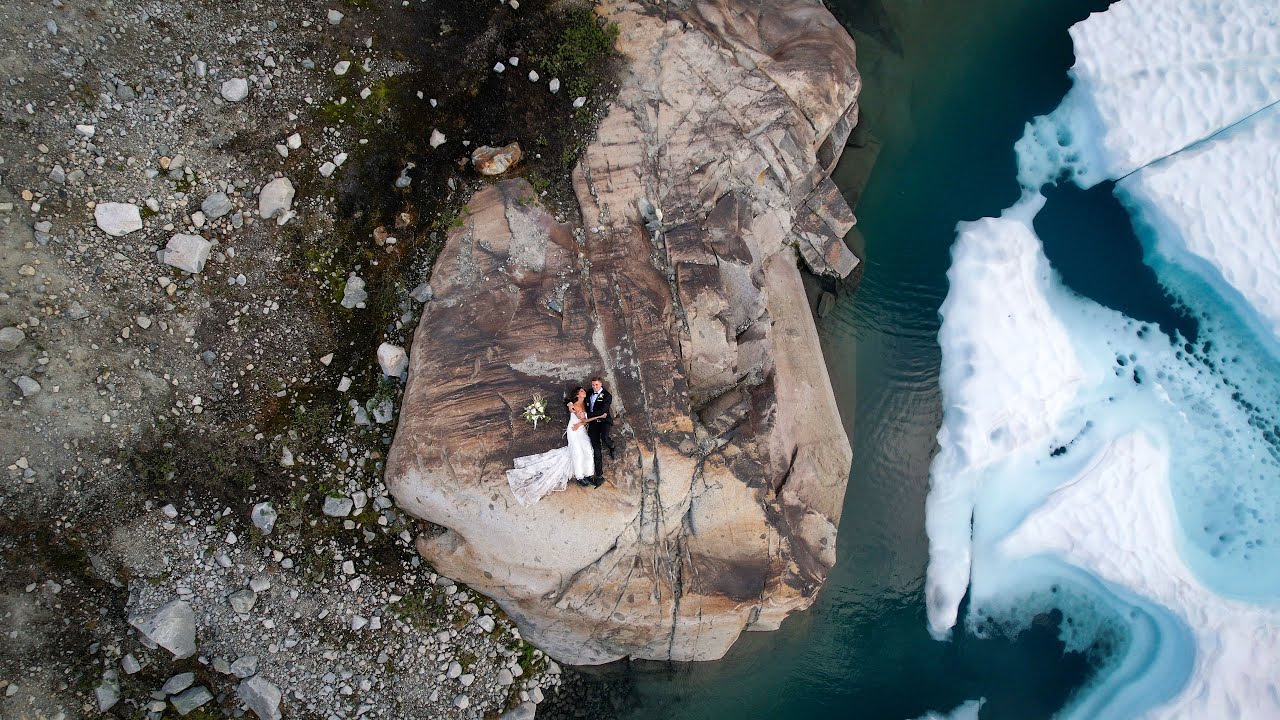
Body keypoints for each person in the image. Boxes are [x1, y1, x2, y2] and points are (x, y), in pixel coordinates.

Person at [505, 387, 595, 505]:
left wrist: (581, 423)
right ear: (578, 395)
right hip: (573, 431)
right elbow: (575, 411)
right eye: (582, 391)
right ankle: (579, 477)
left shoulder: (586, 404)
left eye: (584, 391)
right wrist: (571, 407)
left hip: (581, 430)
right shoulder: (573, 405)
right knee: (577, 453)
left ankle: (588, 473)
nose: (584, 392)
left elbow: (585, 418)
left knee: (588, 450)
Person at [583, 376, 615, 487]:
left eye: (596, 385)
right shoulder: (589, 392)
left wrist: (586, 415)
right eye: (593, 385)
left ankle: (612, 446)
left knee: (605, 438)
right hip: (593, 423)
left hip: (604, 421)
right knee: (596, 447)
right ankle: (599, 475)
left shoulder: (607, 396)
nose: (594, 387)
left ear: (601, 384)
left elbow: (602, 411)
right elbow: (578, 399)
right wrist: (570, 403)